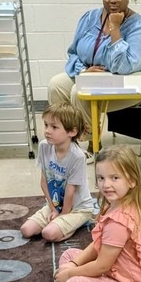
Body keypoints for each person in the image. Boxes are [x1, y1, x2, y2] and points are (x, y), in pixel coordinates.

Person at [47, 0, 141, 150]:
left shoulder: (139, 27)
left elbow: (124, 67)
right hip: (91, 76)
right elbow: (73, 53)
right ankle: (67, 142)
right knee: (56, 85)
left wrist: (115, 28)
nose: (112, 0)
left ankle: (91, 144)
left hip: (128, 84)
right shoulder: (89, 18)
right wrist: (84, 71)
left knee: (79, 93)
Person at [51, 146, 141, 282]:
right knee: (69, 255)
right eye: (101, 178)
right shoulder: (115, 202)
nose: (106, 184)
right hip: (115, 272)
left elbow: (102, 265)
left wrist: (70, 275)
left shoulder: (118, 221)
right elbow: (98, 243)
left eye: (114, 178)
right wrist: (74, 265)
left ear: (132, 181)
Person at [20, 104, 94, 243]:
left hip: (78, 208)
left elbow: (70, 192)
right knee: (26, 230)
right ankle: (62, 224)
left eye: (54, 127)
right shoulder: (44, 146)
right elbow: (44, 182)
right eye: (46, 125)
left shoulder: (77, 156)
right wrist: (53, 209)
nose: (47, 131)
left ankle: (78, 223)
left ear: (71, 132)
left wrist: (62, 216)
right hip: (57, 204)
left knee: (48, 233)